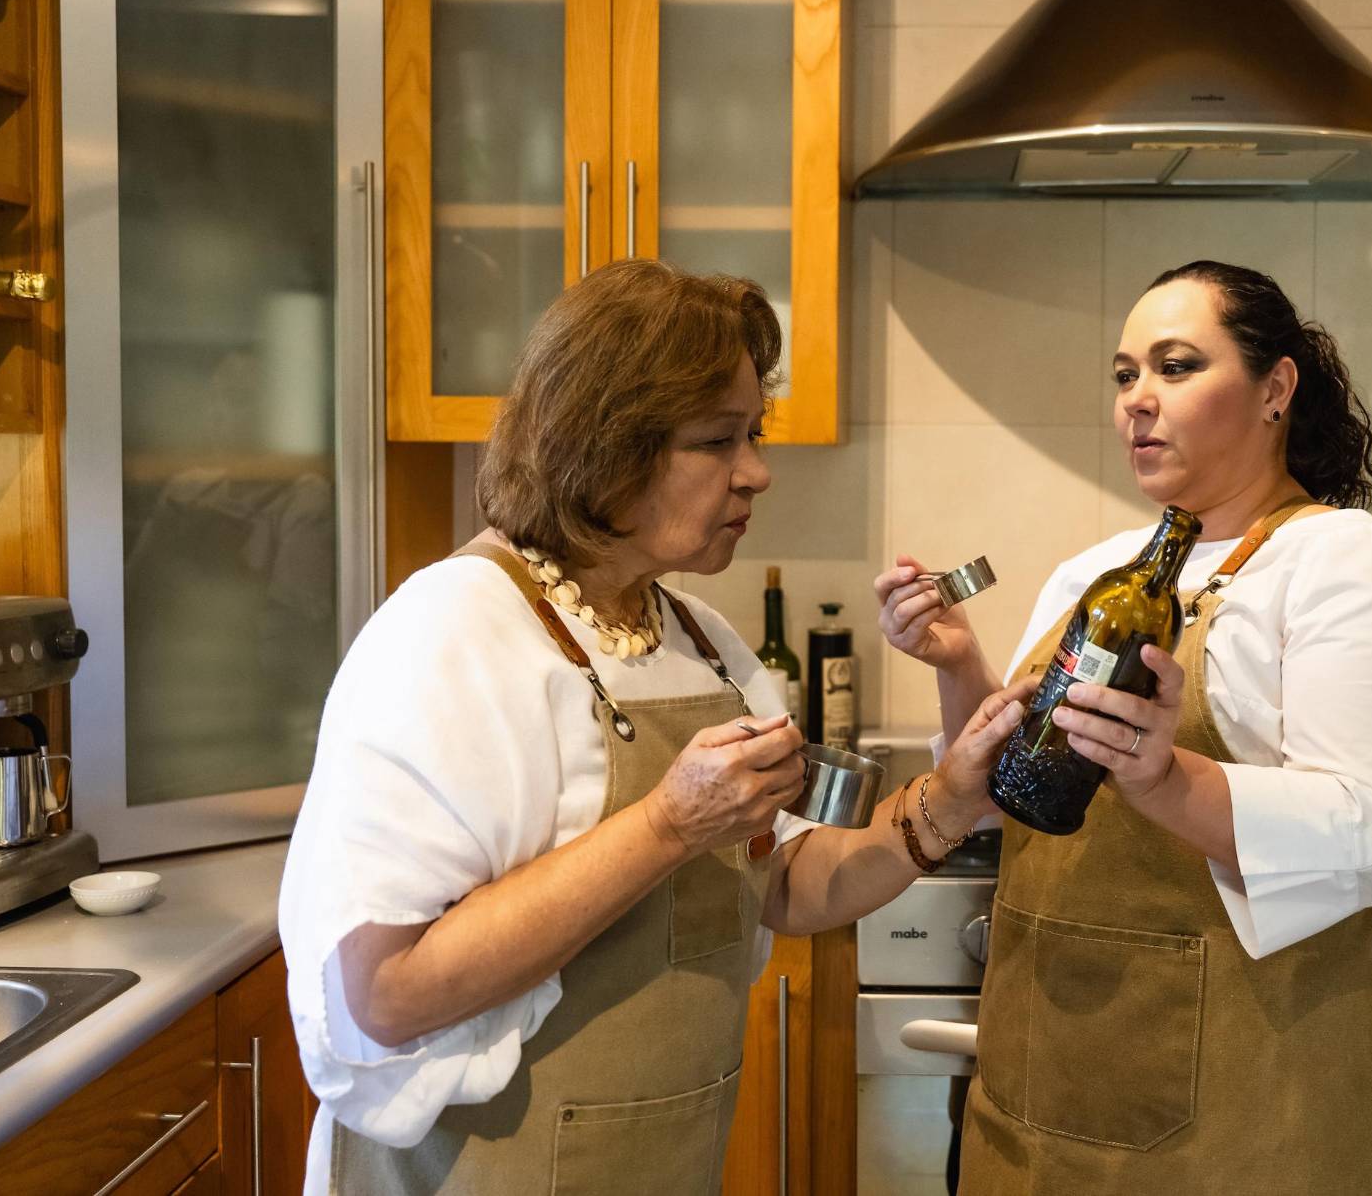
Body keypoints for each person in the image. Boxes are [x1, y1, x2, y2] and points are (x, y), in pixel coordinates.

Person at [281, 260, 1032, 1194]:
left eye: (753, 434)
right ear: (605, 446)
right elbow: (384, 994)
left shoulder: (700, 641)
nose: (756, 473)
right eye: (718, 440)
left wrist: (949, 801)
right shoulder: (450, 633)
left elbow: (787, 884)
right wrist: (668, 824)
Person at [876, 261, 1372, 1192]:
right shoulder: (1098, 572)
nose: (1137, 403)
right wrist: (962, 668)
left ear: (1276, 388)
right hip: (1046, 1062)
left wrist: (1166, 781)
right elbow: (1013, 801)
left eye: (1176, 366)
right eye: (1125, 375)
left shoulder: (1350, 562)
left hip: (1254, 1085)